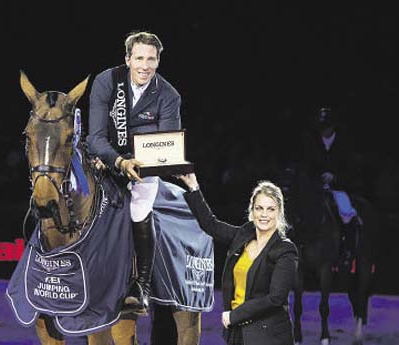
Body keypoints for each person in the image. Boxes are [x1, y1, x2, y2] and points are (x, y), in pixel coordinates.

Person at [87, 30, 181, 314]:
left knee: (140, 208)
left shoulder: (169, 95)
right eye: (139, 58)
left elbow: (167, 145)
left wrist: (134, 163)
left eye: (151, 59)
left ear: (158, 61)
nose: (145, 65)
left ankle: (141, 286)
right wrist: (117, 161)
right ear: (127, 59)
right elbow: (95, 138)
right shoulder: (106, 81)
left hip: (144, 168)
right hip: (106, 160)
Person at [177, 173, 297, 345]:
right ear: (252, 210)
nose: (264, 215)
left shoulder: (285, 250)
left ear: (279, 212)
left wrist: (235, 315)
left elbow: (275, 298)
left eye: (270, 209)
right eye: (259, 208)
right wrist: (193, 187)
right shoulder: (243, 235)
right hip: (238, 333)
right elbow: (210, 224)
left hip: (268, 336)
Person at [300, 106, 364, 265]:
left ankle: (347, 249)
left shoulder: (344, 143)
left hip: (338, 188)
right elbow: (308, 166)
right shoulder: (313, 143)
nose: (323, 130)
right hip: (316, 187)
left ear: (332, 126)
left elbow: (351, 169)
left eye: (326, 126)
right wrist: (317, 178)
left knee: (346, 211)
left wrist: (335, 177)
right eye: (321, 127)